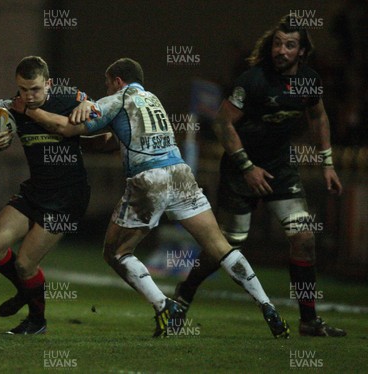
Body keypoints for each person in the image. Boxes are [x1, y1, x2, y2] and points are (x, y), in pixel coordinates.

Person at [14, 57, 289, 338]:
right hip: (180, 174)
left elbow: (65, 127)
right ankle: (268, 306)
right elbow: (112, 140)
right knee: (222, 247)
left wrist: (29, 111)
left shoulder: (118, 98)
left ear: (118, 81)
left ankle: (163, 306)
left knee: (116, 252)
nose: (106, 89)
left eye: (107, 84)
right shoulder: (152, 99)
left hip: (150, 179)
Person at [173, 15, 346, 337]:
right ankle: (184, 295)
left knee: (304, 239)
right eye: (278, 43)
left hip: (280, 169)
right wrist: (247, 167)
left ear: (303, 52)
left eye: (290, 45)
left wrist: (327, 162)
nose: (281, 50)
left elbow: (318, 115)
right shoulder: (252, 80)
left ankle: (309, 321)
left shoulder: (309, 81)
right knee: (227, 246)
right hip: (241, 170)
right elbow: (223, 124)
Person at [0, 56, 92, 335]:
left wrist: (90, 105)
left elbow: (87, 114)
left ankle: (36, 321)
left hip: (67, 197)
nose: (28, 96)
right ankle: (25, 290)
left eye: (35, 90)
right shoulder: (9, 107)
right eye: (23, 89)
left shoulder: (69, 98)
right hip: (36, 190)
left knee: (26, 262)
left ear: (49, 84)